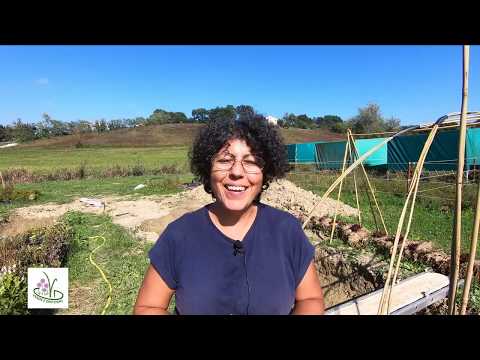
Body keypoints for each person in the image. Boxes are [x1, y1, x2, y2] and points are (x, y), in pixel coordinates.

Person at [133, 114, 324, 315]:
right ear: (208, 169)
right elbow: (149, 307)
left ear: (265, 172)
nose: (237, 172)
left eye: (250, 162)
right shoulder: (179, 235)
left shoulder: (286, 230)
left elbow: (310, 299)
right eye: (225, 160)